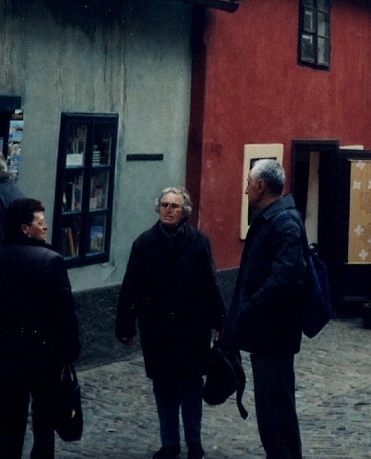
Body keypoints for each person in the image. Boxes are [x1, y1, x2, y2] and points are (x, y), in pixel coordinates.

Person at [117, 187, 225, 459]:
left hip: (192, 330)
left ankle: (194, 442)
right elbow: (131, 287)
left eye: (174, 206)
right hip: (158, 330)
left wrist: (219, 320)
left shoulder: (198, 242)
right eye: (164, 205)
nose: (168, 210)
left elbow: (210, 282)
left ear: (184, 211)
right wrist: (125, 325)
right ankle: (169, 443)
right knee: (163, 388)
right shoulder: (144, 244)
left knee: (190, 388)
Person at [0, 198, 80, 459]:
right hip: (44, 357)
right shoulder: (51, 260)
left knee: (11, 421)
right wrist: (70, 349)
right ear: (24, 228)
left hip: (6, 354)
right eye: (40, 223)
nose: (46, 227)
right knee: (44, 421)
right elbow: (65, 312)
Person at [223, 159, 306, 459]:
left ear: (260, 186)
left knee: (275, 410)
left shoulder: (283, 222)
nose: (245, 190)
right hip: (268, 333)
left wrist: (249, 306)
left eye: (248, 183)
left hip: (274, 334)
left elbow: (284, 278)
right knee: (272, 408)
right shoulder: (273, 218)